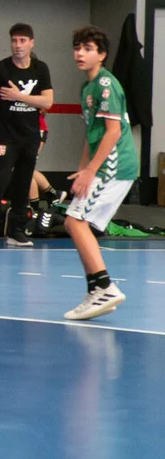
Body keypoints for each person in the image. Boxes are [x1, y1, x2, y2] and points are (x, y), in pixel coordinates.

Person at [63, 26, 137, 320]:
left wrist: (92, 170)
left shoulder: (106, 85)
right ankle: (96, 288)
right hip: (101, 166)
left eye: (88, 49)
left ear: (102, 54)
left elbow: (112, 132)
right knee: (73, 223)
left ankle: (105, 287)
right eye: (77, 48)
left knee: (76, 221)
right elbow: (91, 134)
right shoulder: (87, 88)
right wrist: (83, 170)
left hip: (114, 165)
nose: (80, 53)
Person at [0, 22, 53, 248]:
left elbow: (47, 102)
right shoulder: (0, 69)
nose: (18, 45)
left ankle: (16, 231)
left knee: (23, 183)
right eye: (14, 41)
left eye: (22, 41)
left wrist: (19, 96)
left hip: (30, 137)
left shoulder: (41, 69)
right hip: (5, 137)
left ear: (31, 43)